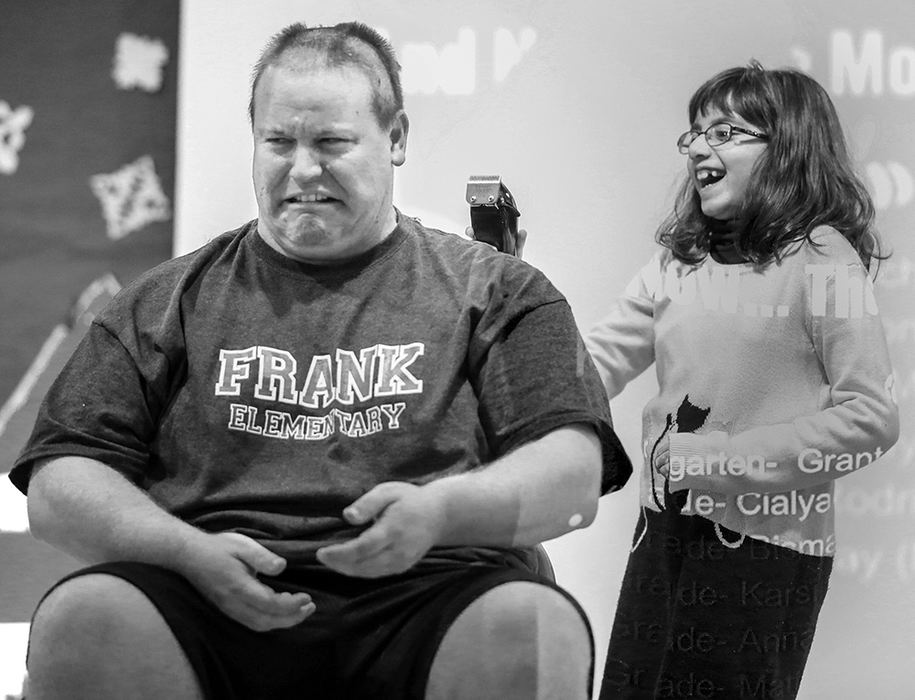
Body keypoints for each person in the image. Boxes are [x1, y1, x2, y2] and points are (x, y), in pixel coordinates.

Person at [9, 21, 632, 700]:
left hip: (436, 592)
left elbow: (571, 478)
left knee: (531, 625)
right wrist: (184, 551)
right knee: (87, 618)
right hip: (208, 594)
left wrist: (440, 514)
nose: (302, 169)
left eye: (331, 142)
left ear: (395, 139)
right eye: (278, 142)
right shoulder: (169, 299)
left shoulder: (498, 292)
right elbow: (60, 485)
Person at [586, 61, 899, 699]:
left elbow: (872, 419)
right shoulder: (678, 262)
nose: (700, 146)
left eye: (726, 132)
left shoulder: (823, 258)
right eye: (696, 133)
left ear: (787, 147)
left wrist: (723, 458)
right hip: (665, 530)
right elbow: (596, 362)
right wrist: (514, 312)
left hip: (763, 550)